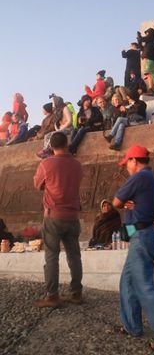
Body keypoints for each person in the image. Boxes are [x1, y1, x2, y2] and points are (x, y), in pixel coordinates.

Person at [112, 145, 154, 351]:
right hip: (141, 234)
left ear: (134, 160)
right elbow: (133, 212)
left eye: (127, 163)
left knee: (144, 285)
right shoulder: (149, 179)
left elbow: (115, 201)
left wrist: (123, 204)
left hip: (142, 235)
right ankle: (132, 326)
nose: (126, 168)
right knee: (128, 282)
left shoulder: (139, 177)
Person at [33, 132, 83, 308]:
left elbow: (38, 185)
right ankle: (76, 292)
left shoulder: (46, 163)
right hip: (73, 216)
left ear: (51, 146)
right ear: (67, 143)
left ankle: (52, 296)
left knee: (52, 256)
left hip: (53, 215)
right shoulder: (77, 165)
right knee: (74, 255)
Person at [137, 28, 154, 92]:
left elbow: (142, 39)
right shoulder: (148, 43)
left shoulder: (151, 38)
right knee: (147, 74)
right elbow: (141, 48)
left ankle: (151, 88)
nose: (146, 34)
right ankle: (150, 88)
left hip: (148, 58)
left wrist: (139, 36)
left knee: (149, 74)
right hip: (146, 58)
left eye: (147, 33)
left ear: (150, 33)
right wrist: (139, 41)